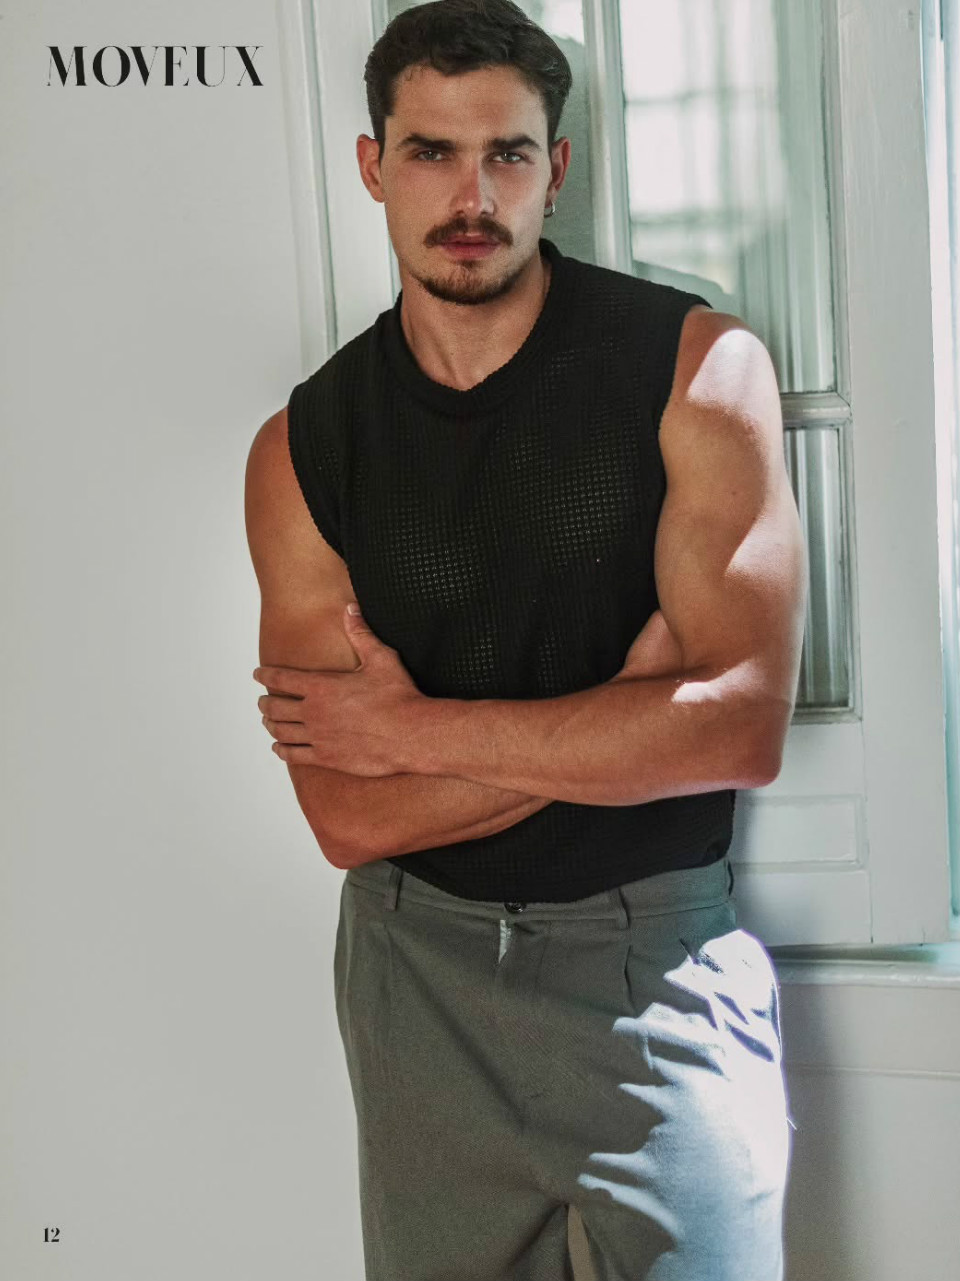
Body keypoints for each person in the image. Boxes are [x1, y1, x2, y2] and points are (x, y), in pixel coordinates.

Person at [244, 1, 807, 1277]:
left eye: (506, 154)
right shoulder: (303, 448)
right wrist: (624, 714)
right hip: (416, 970)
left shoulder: (696, 370)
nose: (472, 196)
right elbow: (349, 820)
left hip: (657, 957)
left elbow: (735, 731)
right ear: (373, 166)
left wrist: (411, 732)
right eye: (432, 152)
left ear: (554, 169)